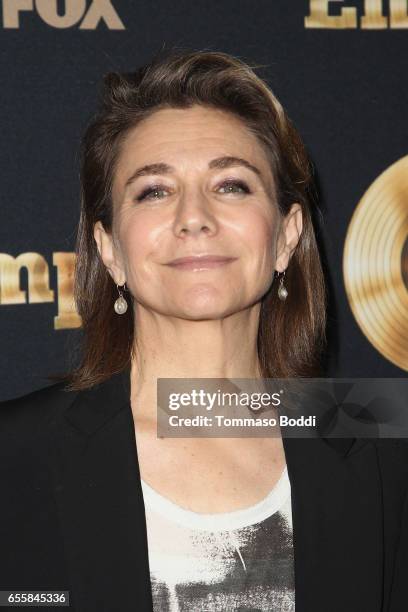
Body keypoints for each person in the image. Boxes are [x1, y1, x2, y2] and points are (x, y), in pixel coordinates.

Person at [1, 48, 407, 612]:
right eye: (154, 191)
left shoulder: (383, 439)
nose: (194, 216)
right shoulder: (15, 455)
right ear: (110, 250)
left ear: (287, 236)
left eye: (231, 185)